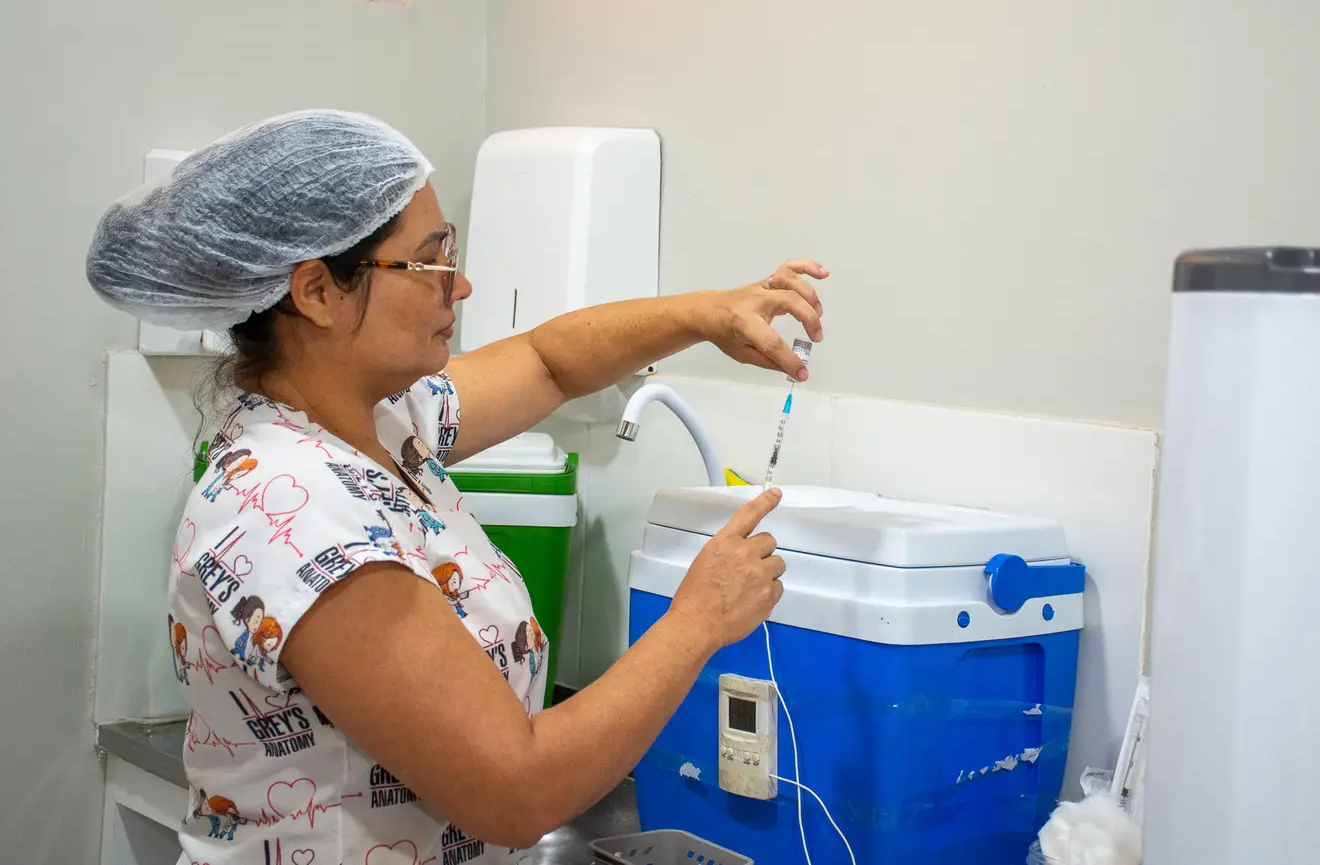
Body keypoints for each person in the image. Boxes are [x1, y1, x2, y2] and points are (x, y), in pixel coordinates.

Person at [85, 110, 826, 865]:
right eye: (430, 261)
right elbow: (516, 791)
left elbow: (548, 363)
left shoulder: (380, 425)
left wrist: (708, 314)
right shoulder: (294, 508)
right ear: (316, 291)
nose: (461, 285)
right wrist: (698, 619)